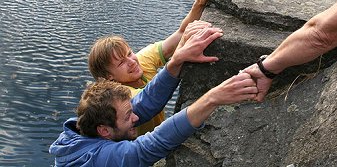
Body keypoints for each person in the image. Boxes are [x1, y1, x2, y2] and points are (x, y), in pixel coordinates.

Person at [49, 26, 258, 166]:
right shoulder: (101, 159)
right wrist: (213, 98)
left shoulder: (83, 128)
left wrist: (176, 61)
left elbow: (144, 104)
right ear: (104, 131)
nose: (136, 118)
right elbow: (151, 145)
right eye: (128, 116)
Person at [88, 0, 228, 135]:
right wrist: (179, 55)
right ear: (110, 78)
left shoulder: (140, 61)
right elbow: (147, 101)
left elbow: (180, 35)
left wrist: (199, 3)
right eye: (121, 63)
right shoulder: (118, 97)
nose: (132, 62)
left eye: (129, 53)